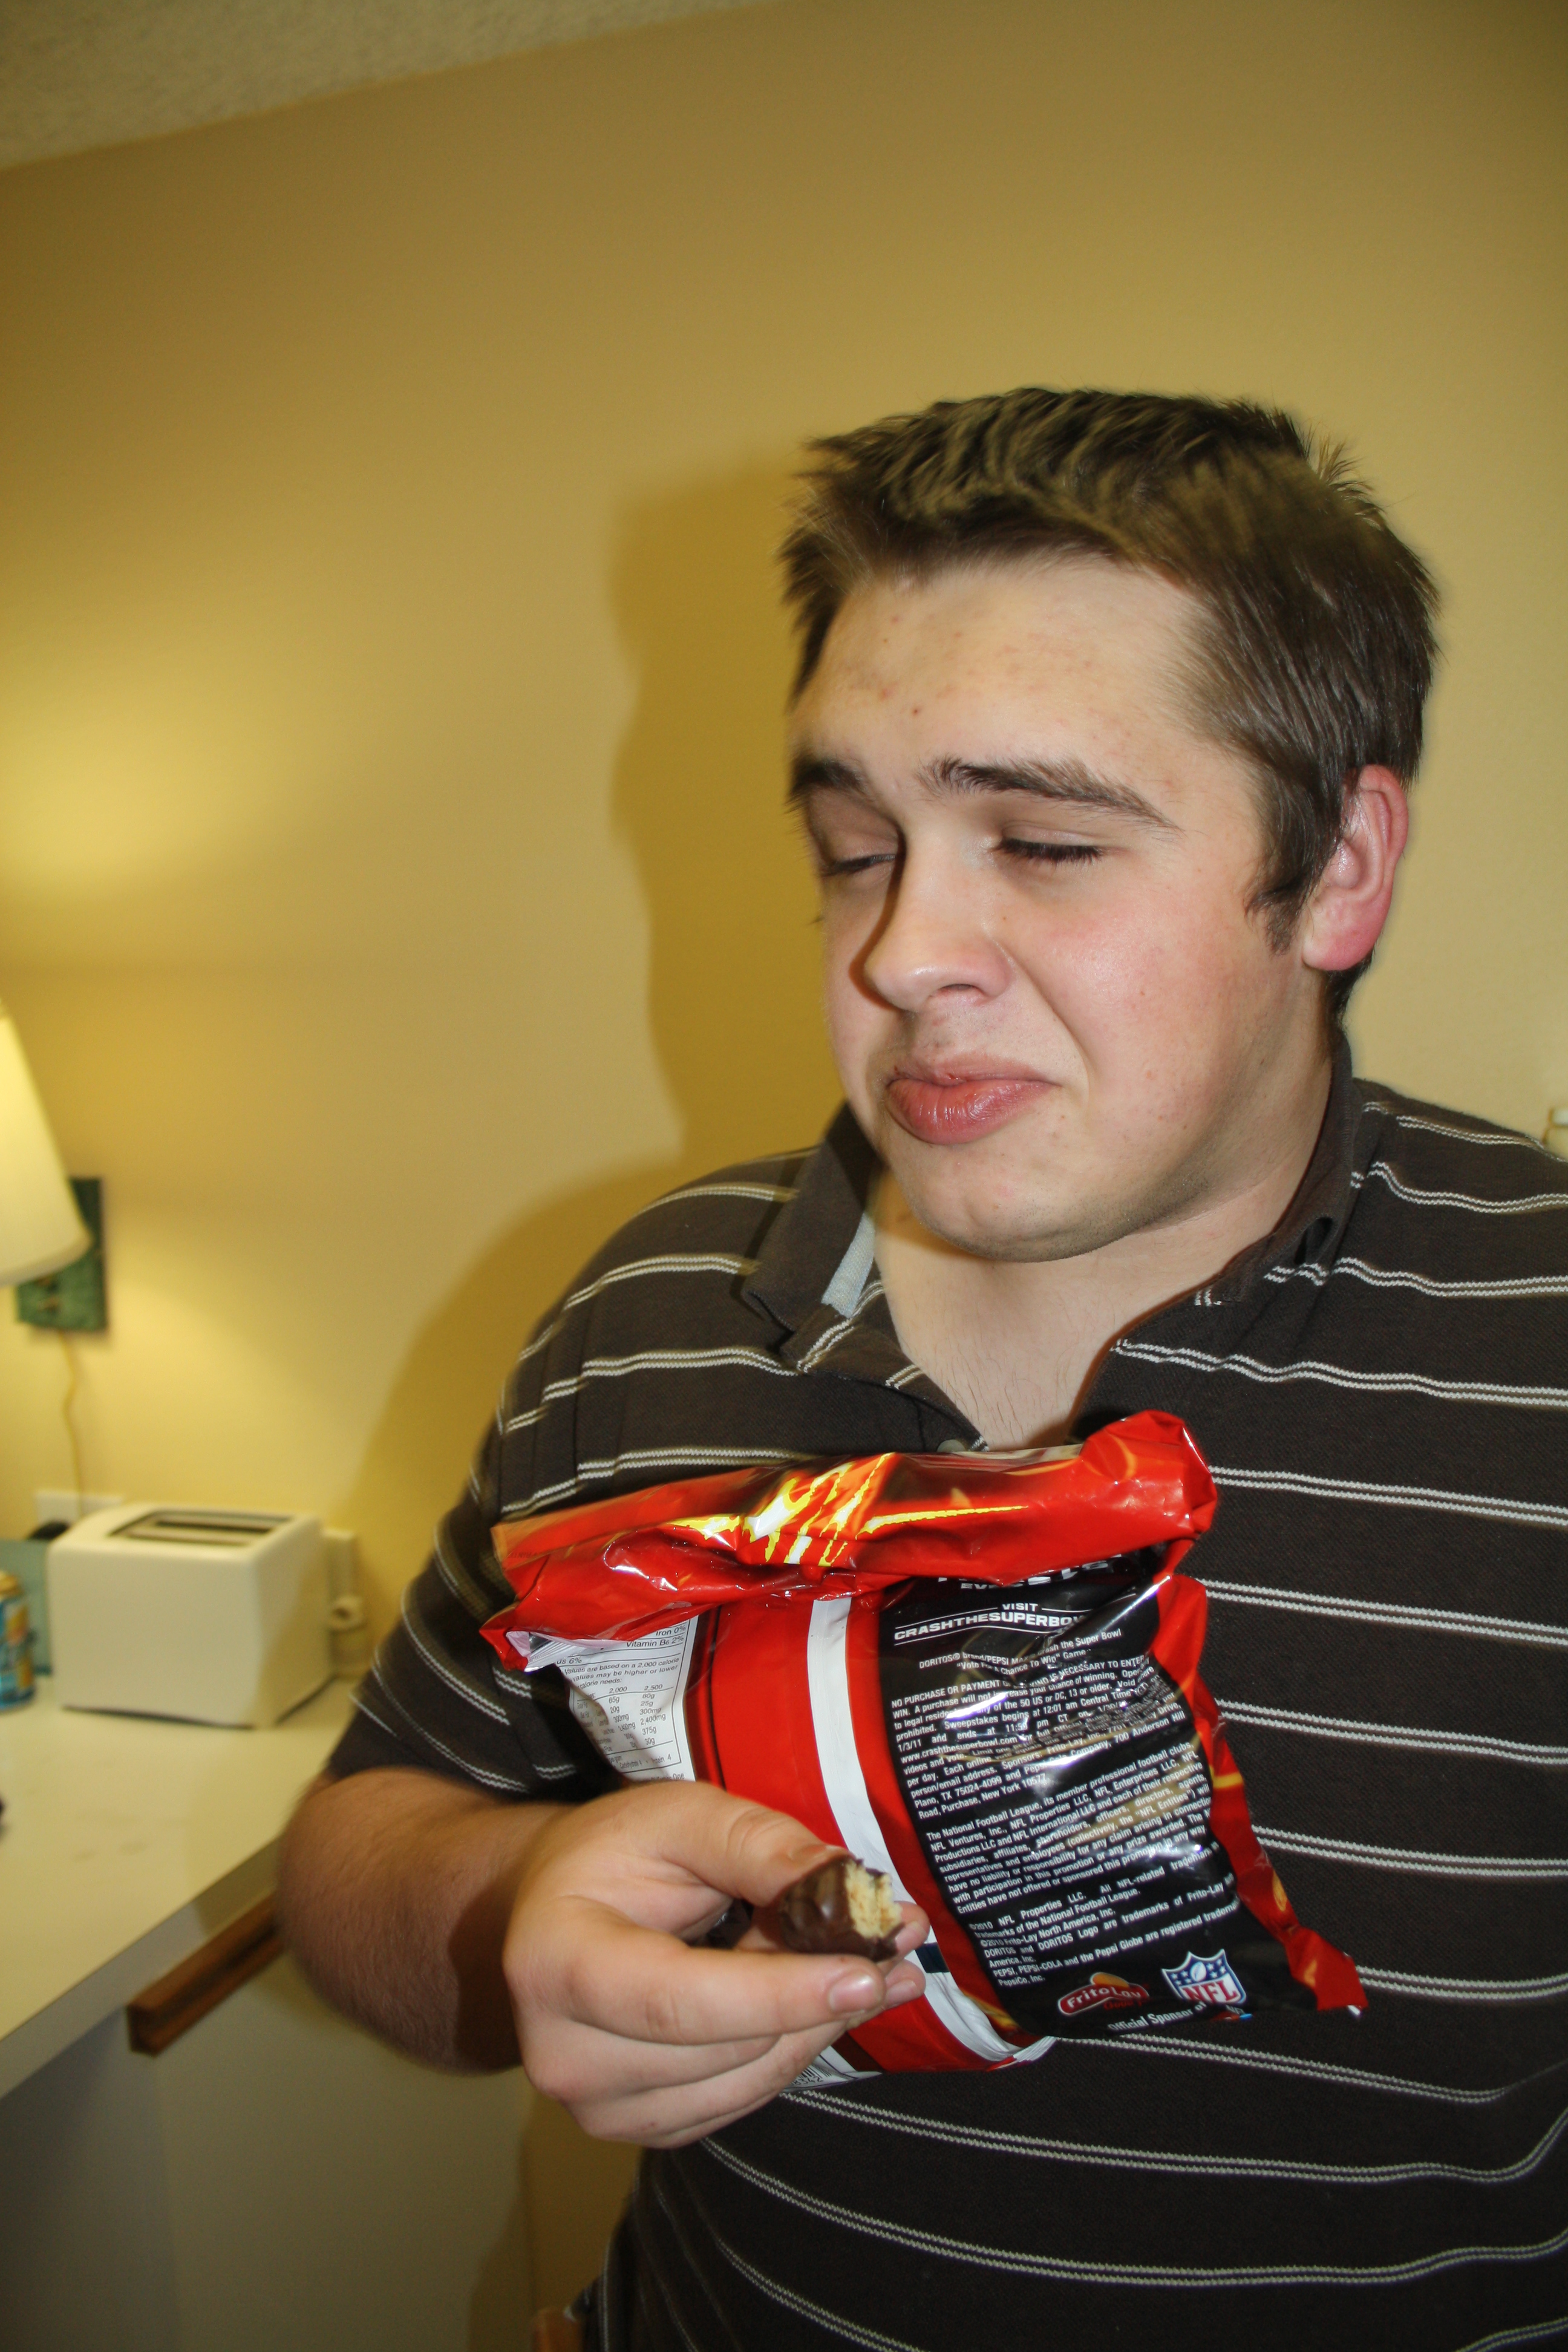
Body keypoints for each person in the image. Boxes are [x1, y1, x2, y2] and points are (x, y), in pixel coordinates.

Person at [279, 390, 1568, 2350]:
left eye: (1042, 841)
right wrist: (514, 1910)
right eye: (855, 845)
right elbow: (364, 1842)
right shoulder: (653, 1310)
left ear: (1339, 870)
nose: (899, 953)